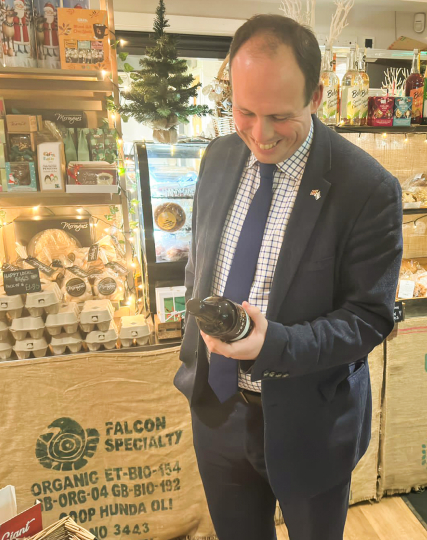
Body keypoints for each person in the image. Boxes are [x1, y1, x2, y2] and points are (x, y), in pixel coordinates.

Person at [174, 14, 403, 540]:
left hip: (312, 424)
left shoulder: (367, 188)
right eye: (245, 111)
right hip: (219, 408)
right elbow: (201, 261)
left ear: (318, 95)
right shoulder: (217, 156)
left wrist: (272, 342)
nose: (260, 134)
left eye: (279, 116)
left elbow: (369, 319)